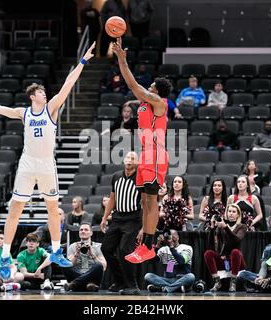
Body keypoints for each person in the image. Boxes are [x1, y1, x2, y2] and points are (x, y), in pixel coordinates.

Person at [0, 42, 96, 280]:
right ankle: (5, 255)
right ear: (32, 96)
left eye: (45, 92)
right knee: (15, 209)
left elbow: (69, 83)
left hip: (46, 163)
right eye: (42, 92)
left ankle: (56, 250)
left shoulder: (51, 108)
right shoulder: (24, 112)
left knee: (53, 210)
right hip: (27, 163)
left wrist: (83, 61)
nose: (45, 94)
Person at [112, 38, 172, 263]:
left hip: (156, 155)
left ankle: (149, 244)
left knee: (152, 200)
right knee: (146, 202)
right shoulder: (146, 104)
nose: (149, 87)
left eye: (153, 85)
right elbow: (132, 87)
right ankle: (146, 245)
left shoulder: (159, 102)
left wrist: (122, 59)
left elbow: (134, 86)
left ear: (157, 90)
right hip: (146, 154)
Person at [100, 152, 142, 295]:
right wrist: (105, 218)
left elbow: (147, 204)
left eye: (133, 158)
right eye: (127, 157)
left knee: (125, 250)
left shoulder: (141, 178)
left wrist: (143, 227)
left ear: (138, 162)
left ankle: (133, 285)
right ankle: (120, 281)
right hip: (117, 218)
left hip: (133, 219)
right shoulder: (116, 176)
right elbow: (112, 198)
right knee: (106, 248)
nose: (129, 160)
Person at [38, 223, 106, 292]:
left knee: (98, 265)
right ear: (79, 233)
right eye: (81, 230)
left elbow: (103, 266)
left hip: (92, 277)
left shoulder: (98, 246)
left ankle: (74, 284)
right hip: (77, 274)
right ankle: (88, 285)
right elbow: (69, 264)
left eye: (86, 230)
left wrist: (92, 254)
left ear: (91, 233)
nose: (83, 231)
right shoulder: (73, 246)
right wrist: (76, 254)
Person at [204, 204, 247, 292]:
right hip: (224, 260)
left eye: (234, 212)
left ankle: (233, 282)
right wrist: (212, 227)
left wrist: (226, 228)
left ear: (238, 214)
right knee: (208, 253)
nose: (231, 213)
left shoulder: (242, 226)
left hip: (237, 261)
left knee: (235, 251)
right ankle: (217, 281)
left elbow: (237, 240)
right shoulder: (221, 226)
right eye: (229, 211)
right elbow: (210, 244)